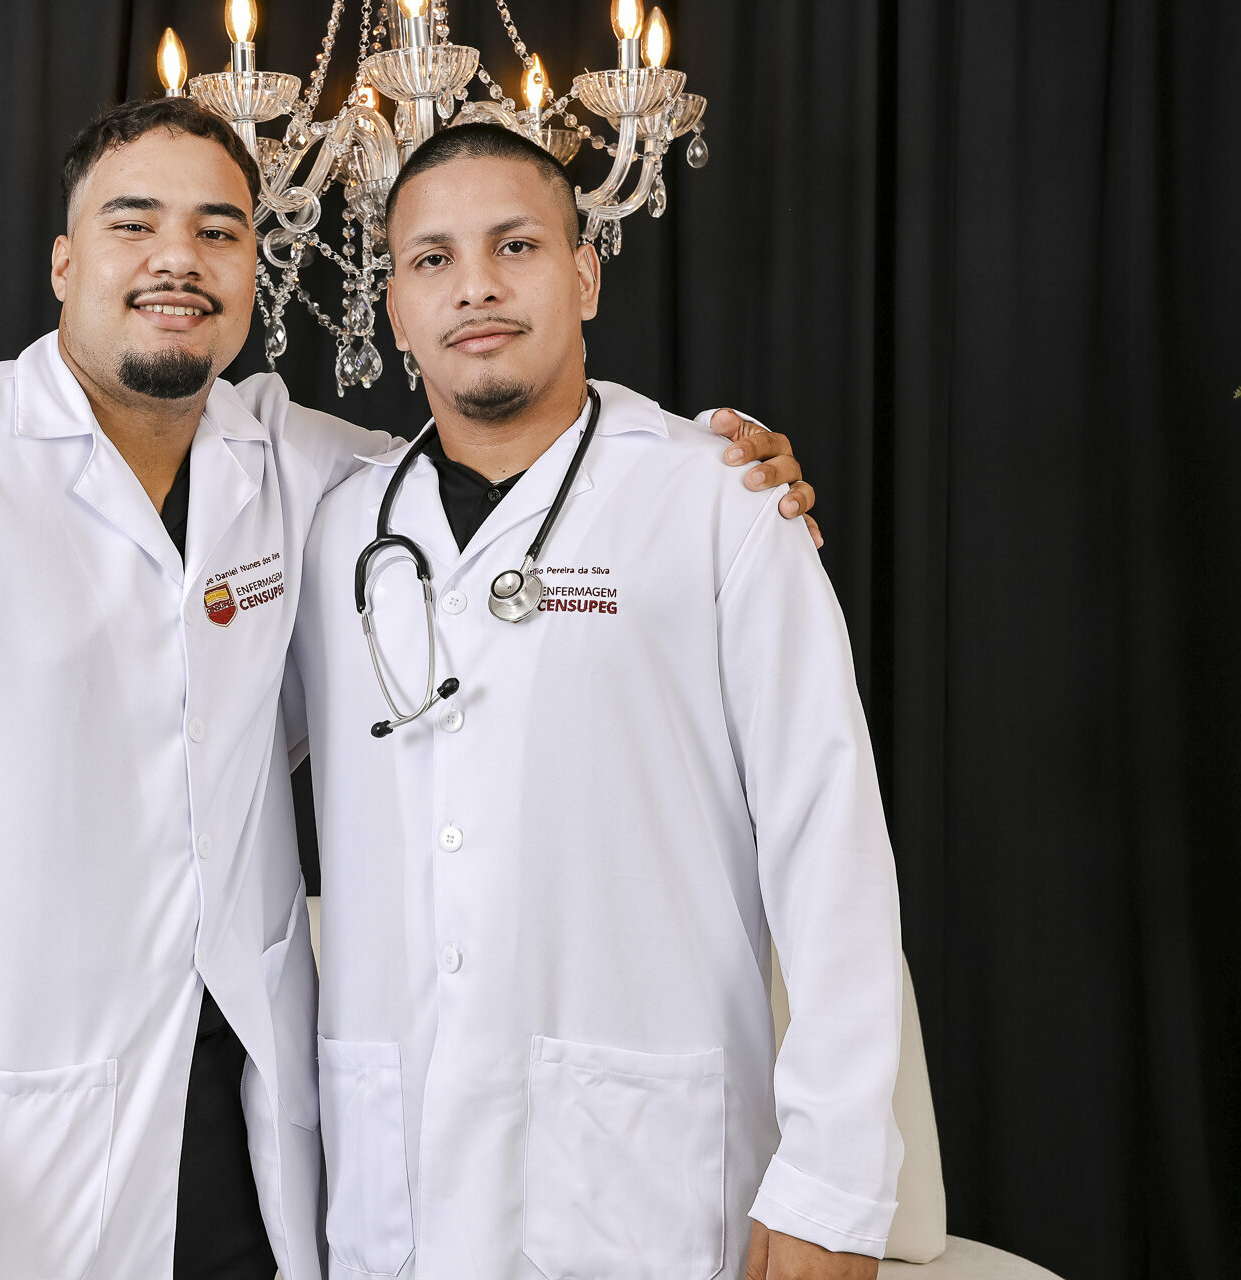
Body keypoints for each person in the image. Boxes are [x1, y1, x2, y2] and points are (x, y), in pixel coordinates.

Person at [0, 99, 817, 1280]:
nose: (177, 259)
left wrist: (710, 463)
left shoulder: (303, 467)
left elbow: (515, 460)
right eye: (133, 224)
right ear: (65, 262)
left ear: (254, 269)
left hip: (246, 1139)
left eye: (219, 230)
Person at [285, 124, 903, 1280]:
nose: (475, 285)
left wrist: (835, 1181)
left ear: (584, 276)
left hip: (650, 1182)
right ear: (396, 308)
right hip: (392, 1191)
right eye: (431, 259)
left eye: (515, 245)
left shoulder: (718, 499)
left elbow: (830, 845)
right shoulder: (335, 531)